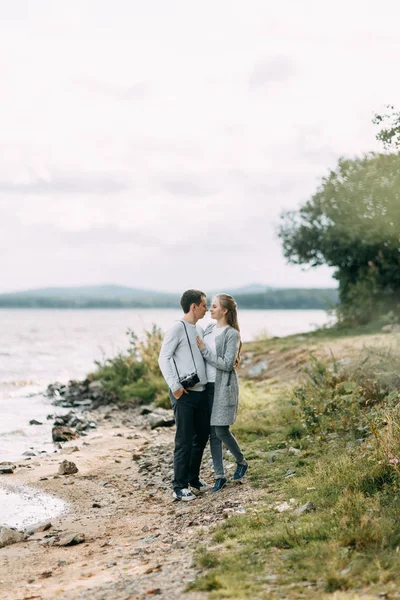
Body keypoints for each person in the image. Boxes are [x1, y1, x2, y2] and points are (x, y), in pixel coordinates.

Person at [158, 289, 210, 501]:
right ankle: (179, 487)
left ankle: (193, 479)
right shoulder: (176, 329)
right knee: (184, 441)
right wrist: (175, 386)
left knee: (202, 437)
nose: (206, 308)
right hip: (184, 395)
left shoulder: (198, 328)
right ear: (193, 306)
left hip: (201, 393)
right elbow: (164, 358)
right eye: (204, 305)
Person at [196, 293, 248, 493]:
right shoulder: (209, 328)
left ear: (225, 310)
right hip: (206, 386)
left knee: (221, 430)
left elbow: (227, 364)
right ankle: (219, 475)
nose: (210, 309)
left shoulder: (231, 334)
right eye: (210, 306)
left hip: (223, 387)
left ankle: (241, 461)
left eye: (215, 306)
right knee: (212, 433)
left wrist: (204, 351)